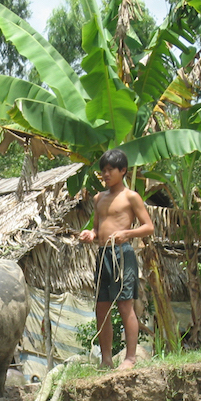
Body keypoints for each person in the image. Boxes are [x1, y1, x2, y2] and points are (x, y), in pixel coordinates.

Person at [79, 149, 154, 370]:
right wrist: (90, 235)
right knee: (101, 308)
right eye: (103, 170)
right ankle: (106, 359)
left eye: (110, 170)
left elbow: (148, 227)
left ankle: (130, 358)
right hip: (103, 255)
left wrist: (127, 234)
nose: (106, 174)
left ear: (122, 171)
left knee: (124, 305)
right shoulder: (98, 198)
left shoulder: (131, 196)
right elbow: (96, 228)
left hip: (122, 253)